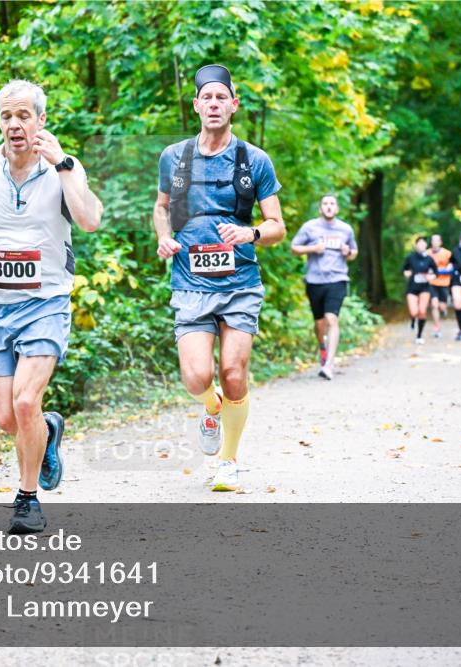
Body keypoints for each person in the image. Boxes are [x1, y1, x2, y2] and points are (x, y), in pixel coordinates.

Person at [0, 80, 103, 533]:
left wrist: (65, 165)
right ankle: (47, 430)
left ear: (41, 121)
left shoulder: (64, 168)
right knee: (10, 417)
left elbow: (89, 220)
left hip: (46, 302)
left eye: (24, 115)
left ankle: (27, 500)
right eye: (7, 117)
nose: (14, 125)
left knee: (25, 400)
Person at [153, 64, 286, 492]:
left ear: (234, 105)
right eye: (205, 97)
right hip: (191, 281)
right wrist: (164, 237)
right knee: (196, 377)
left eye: (220, 97)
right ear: (196, 106)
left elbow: (277, 226)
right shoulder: (174, 157)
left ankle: (228, 462)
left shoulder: (254, 160)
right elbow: (161, 208)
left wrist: (250, 233)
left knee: (232, 371)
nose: (213, 104)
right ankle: (212, 409)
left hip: (240, 283)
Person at [290, 194, 359, 379]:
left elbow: (354, 252)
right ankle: (322, 347)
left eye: (332, 204)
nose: (329, 207)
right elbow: (294, 248)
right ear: (321, 208)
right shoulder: (310, 227)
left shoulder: (345, 229)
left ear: (337, 209)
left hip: (337, 279)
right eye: (325, 204)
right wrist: (312, 249)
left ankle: (329, 364)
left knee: (331, 319)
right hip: (314, 281)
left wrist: (348, 252)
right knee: (319, 324)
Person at [402, 236, 438, 344]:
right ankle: (413, 319)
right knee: (414, 311)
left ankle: (419, 335)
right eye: (419, 243)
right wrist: (406, 273)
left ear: (426, 245)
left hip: (425, 288)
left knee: (422, 311)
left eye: (423, 243)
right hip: (412, 287)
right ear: (416, 245)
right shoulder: (410, 257)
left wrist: (431, 277)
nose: (421, 245)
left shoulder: (429, 259)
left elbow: (436, 272)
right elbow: (404, 269)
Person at [427, 233, 453, 338]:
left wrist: (446, 269)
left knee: (441, 306)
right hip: (432, 283)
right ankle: (437, 328)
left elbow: (451, 267)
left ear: (440, 242)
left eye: (437, 240)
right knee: (434, 305)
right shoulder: (427, 253)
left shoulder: (447, 254)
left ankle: (444, 310)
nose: (435, 243)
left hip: (444, 283)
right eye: (433, 240)